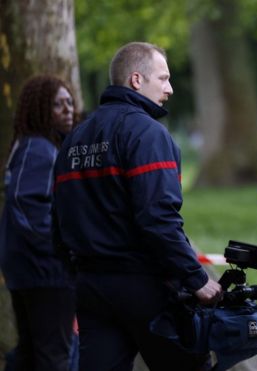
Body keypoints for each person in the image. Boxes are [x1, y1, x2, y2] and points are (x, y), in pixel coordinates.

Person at [52, 42, 222, 371]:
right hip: (145, 288)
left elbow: (57, 220)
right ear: (136, 80)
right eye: (164, 78)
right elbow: (158, 220)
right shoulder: (147, 134)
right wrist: (196, 278)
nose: (170, 88)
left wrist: (74, 276)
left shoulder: (74, 139)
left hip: (89, 288)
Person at [0, 75, 77, 370]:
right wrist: (61, 249)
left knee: (30, 353)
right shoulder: (38, 148)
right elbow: (26, 203)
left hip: (31, 270)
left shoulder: (35, 145)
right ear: (40, 110)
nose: (67, 110)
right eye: (57, 105)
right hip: (44, 273)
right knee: (52, 355)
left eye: (69, 102)